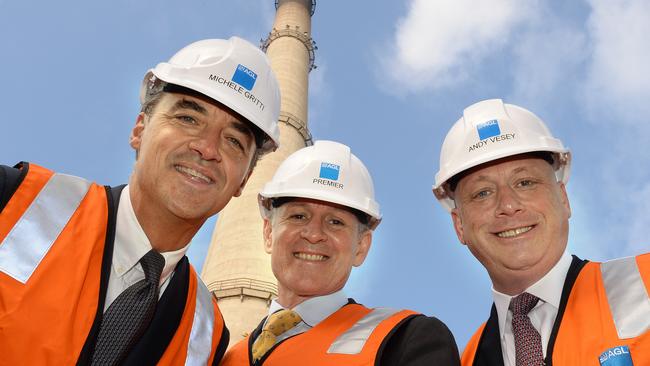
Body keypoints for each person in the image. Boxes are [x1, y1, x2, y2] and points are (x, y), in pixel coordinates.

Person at [0, 36, 281, 365]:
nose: (207, 148)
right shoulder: (15, 201)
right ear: (140, 129)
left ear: (243, 181)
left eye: (233, 140)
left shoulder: (207, 335)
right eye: (188, 119)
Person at [432, 99, 649, 366]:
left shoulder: (644, 281)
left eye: (525, 183)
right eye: (483, 193)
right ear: (459, 226)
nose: (508, 205)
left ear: (563, 198)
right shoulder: (467, 360)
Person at [221, 140, 460, 366]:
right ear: (269, 233)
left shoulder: (403, 340)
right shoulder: (227, 356)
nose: (314, 234)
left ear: (361, 247)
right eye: (298, 216)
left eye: (335, 222)